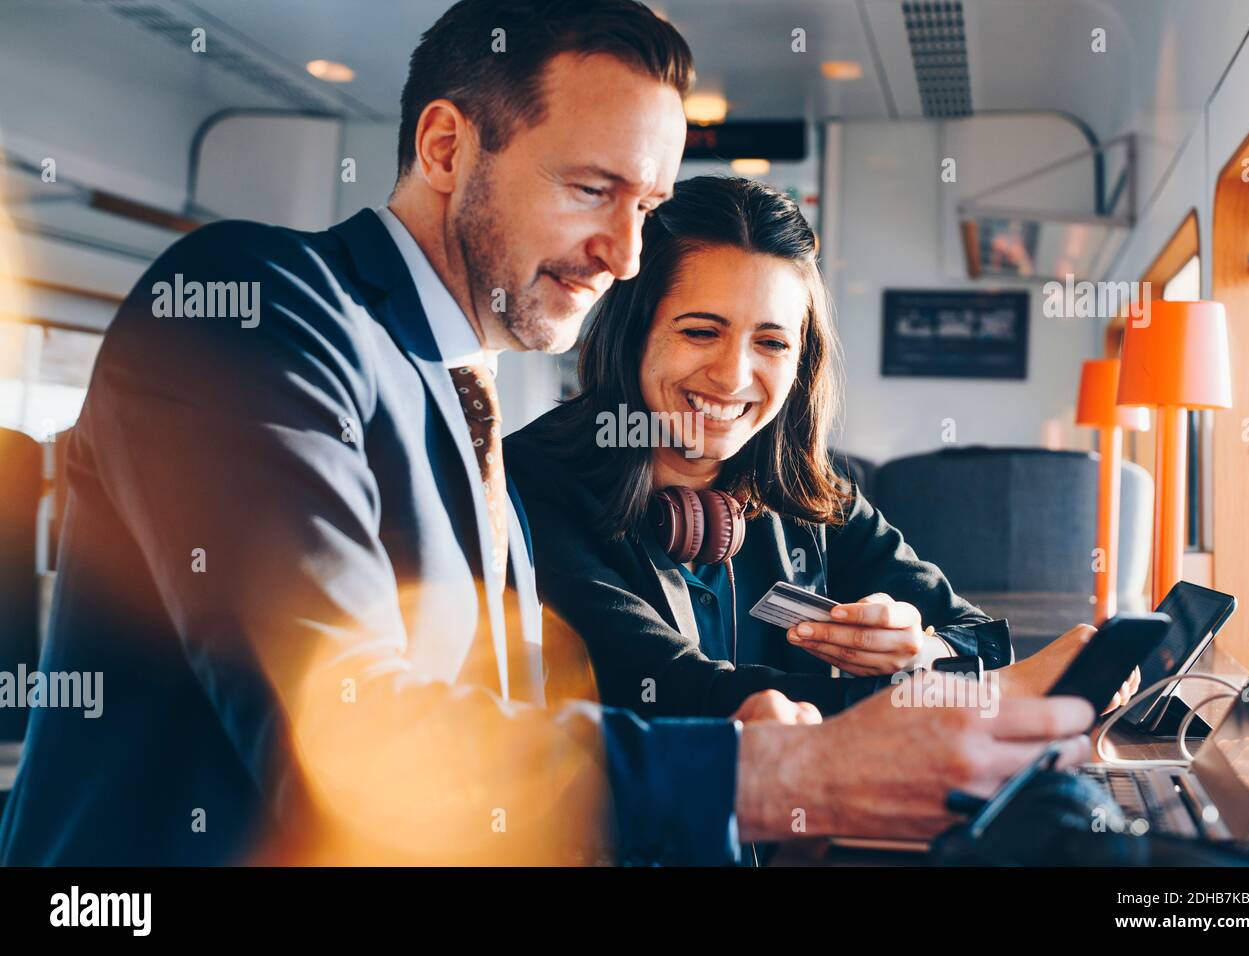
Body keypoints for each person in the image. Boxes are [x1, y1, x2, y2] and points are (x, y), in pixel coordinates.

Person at [0, 0, 1093, 866]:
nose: (624, 252)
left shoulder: (460, 389)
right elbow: (343, 735)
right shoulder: (257, 304)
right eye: (591, 188)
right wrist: (767, 771)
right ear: (444, 145)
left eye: (646, 206)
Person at [507, 175, 1132, 720]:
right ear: (631, 335)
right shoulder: (533, 482)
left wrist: (926, 654)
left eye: (772, 344)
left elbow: (978, 637)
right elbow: (670, 690)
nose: (733, 376)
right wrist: (984, 697)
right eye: (701, 331)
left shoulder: (809, 493)